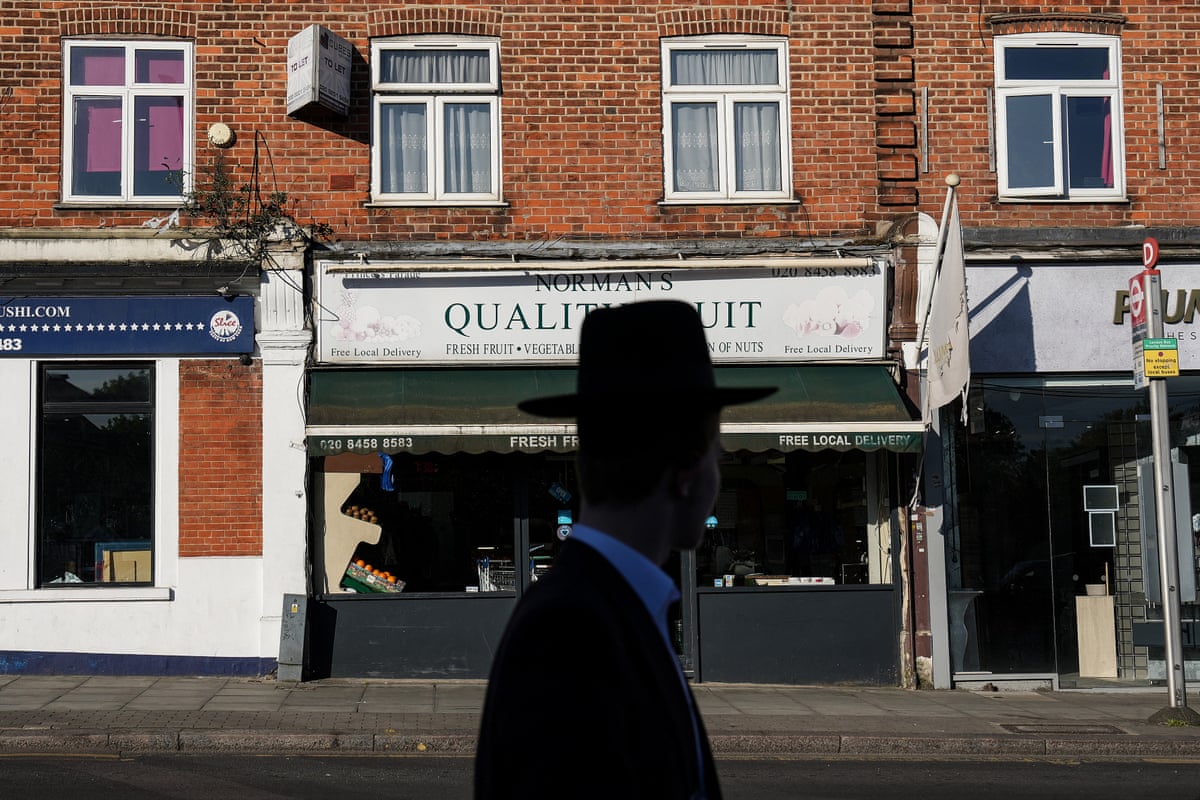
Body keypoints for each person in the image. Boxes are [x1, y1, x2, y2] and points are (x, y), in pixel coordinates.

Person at [474, 300, 775, 799]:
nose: (718, 480)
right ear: (686, 469)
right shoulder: (570, 629)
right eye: (718, 457)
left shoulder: (610, 606)